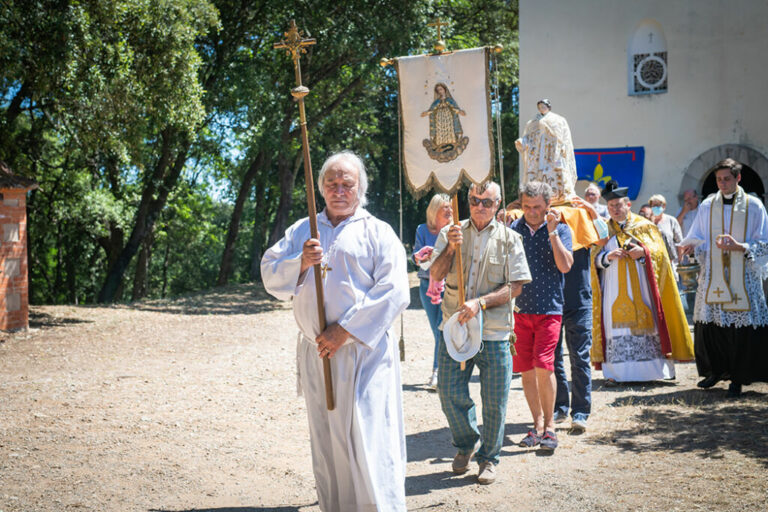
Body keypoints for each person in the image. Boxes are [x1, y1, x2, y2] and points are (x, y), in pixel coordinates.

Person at [260, 151, 410, 511]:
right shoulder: (302, 230)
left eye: (347, 184)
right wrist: (301, 262)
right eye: (331, 183)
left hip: (364, 354)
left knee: (369, 438)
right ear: (320, 188)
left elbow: (395, 290)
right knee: (329, 442)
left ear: (361, 188)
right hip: (319, 354)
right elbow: (269, 272)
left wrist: (344, 331)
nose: (339, 190)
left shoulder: (377, 231)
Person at [430, 181, 531, 484]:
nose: (479, 207)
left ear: (498, 205)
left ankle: (489, 458)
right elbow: (435, 274)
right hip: (456, 328)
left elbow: (516, 285)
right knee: (448, 392)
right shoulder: (452, 231)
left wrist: (481, 303)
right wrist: (450, 247)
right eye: (474, 200)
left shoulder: (510, 238)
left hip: (495, 331)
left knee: (495, 401)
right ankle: (466, 443)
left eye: (487, 202)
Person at [680, 158, 768, 398]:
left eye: (727, 179)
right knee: (712, 325)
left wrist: (741, 246)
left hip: (744, 274)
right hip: (713, 275)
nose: (722, 183)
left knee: (740, 327)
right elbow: (697, 236)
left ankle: (739, 378)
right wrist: (691, 246)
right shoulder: (708, 205)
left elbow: (764, 242)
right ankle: (716, 370)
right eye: (719, 179)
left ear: (738, 178)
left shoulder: (754, 206)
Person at [591, 180, 694, 383]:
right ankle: (616, 373)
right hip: (612, 289)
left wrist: (643, 253)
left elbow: (661, 255)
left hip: (643, 288)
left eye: (618, 205)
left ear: (628, 205)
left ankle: (652, 371)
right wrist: (607, 257)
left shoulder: (644, 226)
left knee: (650, 323)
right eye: (611, 206)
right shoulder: (603, 230)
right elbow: (593, 259)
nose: (615, 210)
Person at [510, 181, 573, 451]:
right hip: (520, 309)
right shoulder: (514, 229)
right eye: (526, 206)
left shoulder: (562, 228)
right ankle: (536, 425)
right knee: (525, 369)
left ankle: (551, 426)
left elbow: (566, 265)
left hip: (549, 309)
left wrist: (552, 233)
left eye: (537, 207)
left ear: (548, 206)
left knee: (544, 365)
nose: (531, 212)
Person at [552, 196, 602, 434]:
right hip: (552, 300)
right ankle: (559, 406)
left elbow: (604, 237)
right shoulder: (547, 227)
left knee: (579, 356)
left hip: (579, 300)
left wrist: (592, 210)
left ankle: (580, 411)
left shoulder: (582, 220)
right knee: (552, 358)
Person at [413, 193, 453, 389]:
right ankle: (444, 370)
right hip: (426, 284)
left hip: (448, 285)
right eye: (445, 207)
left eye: (450, 207)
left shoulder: (454, 230)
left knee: (442, 328)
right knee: (436, 331)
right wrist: (421, 256)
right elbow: (416, 257)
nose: (449, 210)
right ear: (434, 209)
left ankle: (438, 372)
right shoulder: (422, 229)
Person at [515, 99, 578, 204]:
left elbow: (564, 138)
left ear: (548, 107)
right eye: (539, 107)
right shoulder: (533, 122)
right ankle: (536, 198)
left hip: (553, 154)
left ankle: (558, 197)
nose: (541, 109)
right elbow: (528, 137)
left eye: (543, 107)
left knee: (555, 174)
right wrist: (522, 142)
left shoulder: (558, 120)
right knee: (537, 175)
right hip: (537, 156)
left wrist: (562, 147)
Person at [421, 82, 468, 161]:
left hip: (448, 117)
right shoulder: (437, 101)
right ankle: (441, 145)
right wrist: (426, 113)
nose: (440, 91)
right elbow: (432, 110)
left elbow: (454, 108)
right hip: (439, 118)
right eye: (438, 90)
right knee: (440, 131)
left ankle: (451, 144)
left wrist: (460, 111)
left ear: (445, 89)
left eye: (441, 89)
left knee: (449, 130)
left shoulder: (449, 100)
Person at [648, 194, 683, 272]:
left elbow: (679, 242)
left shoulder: (671, 221)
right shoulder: (647, 222)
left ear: (664, 206)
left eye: (658, 205)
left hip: (671, 263)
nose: (655, 207)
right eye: (653, 205)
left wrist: (680, 261)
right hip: (653, 263)